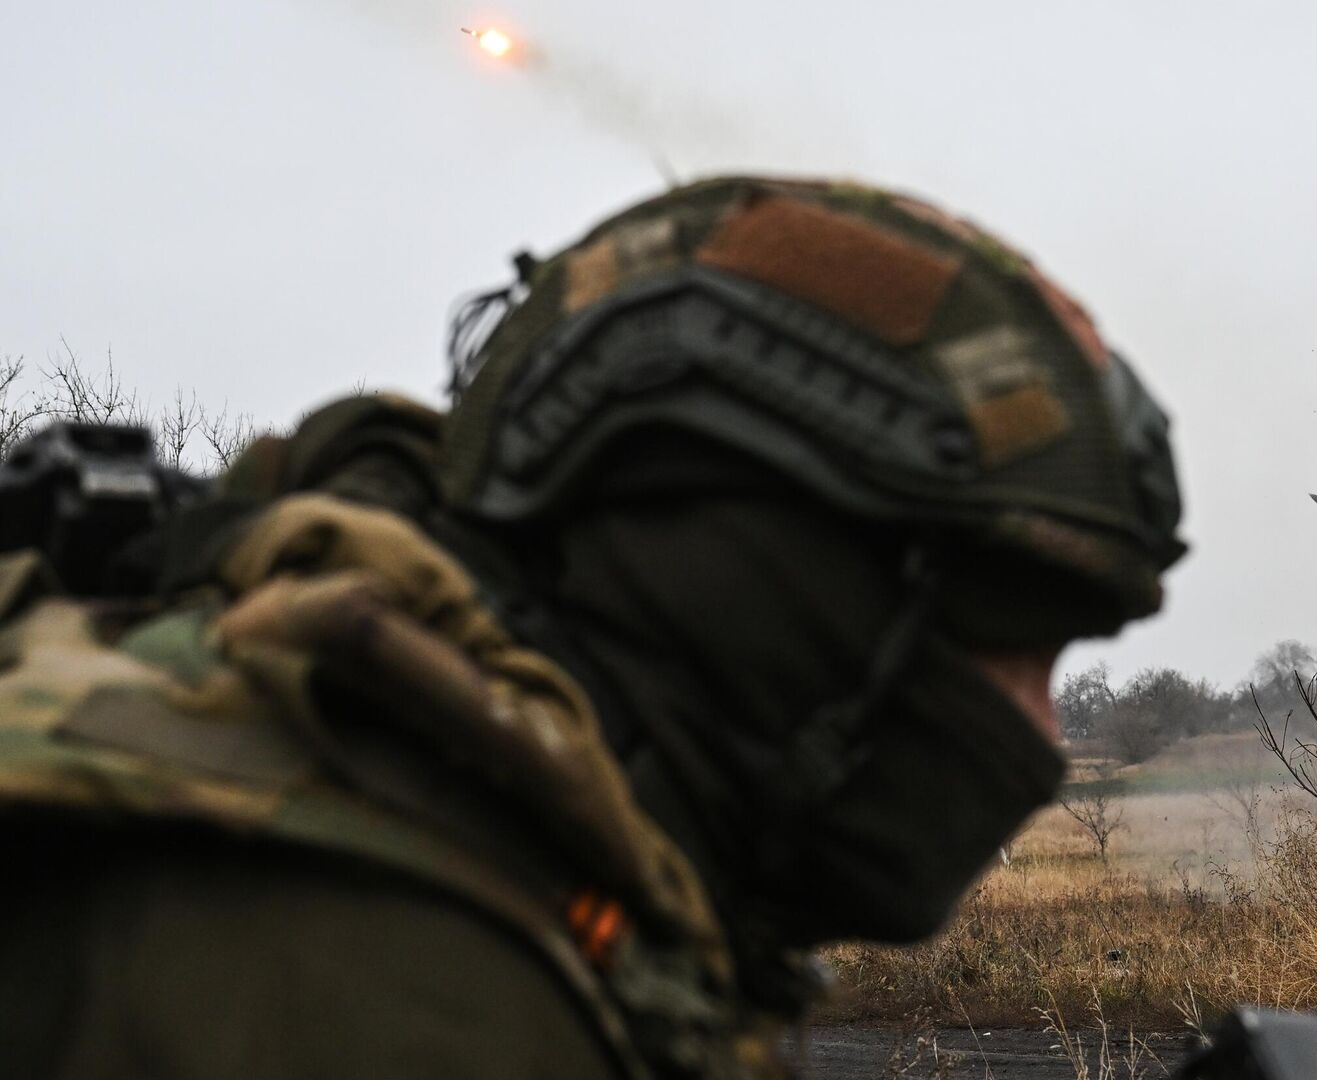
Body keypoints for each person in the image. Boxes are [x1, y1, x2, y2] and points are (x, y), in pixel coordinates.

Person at [0, 175, 1185, 1078]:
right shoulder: (379, 984)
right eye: (1010, 645)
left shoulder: (533, 870)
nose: (1036, 736)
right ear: (766, 589)